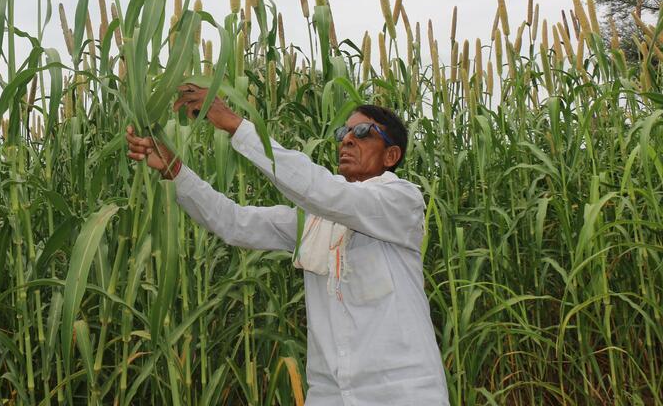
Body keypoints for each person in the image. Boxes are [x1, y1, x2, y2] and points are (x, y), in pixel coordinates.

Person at [126, 84, 449, 405]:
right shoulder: (314, 223)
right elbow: (233, 222)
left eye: (363, 132)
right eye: (343, 133)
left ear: (391, 155)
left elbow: (327, 194)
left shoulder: (401, 201)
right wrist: (176, 171)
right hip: (331, 395)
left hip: (402, 393)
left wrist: (238, 127)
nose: (347, 139)